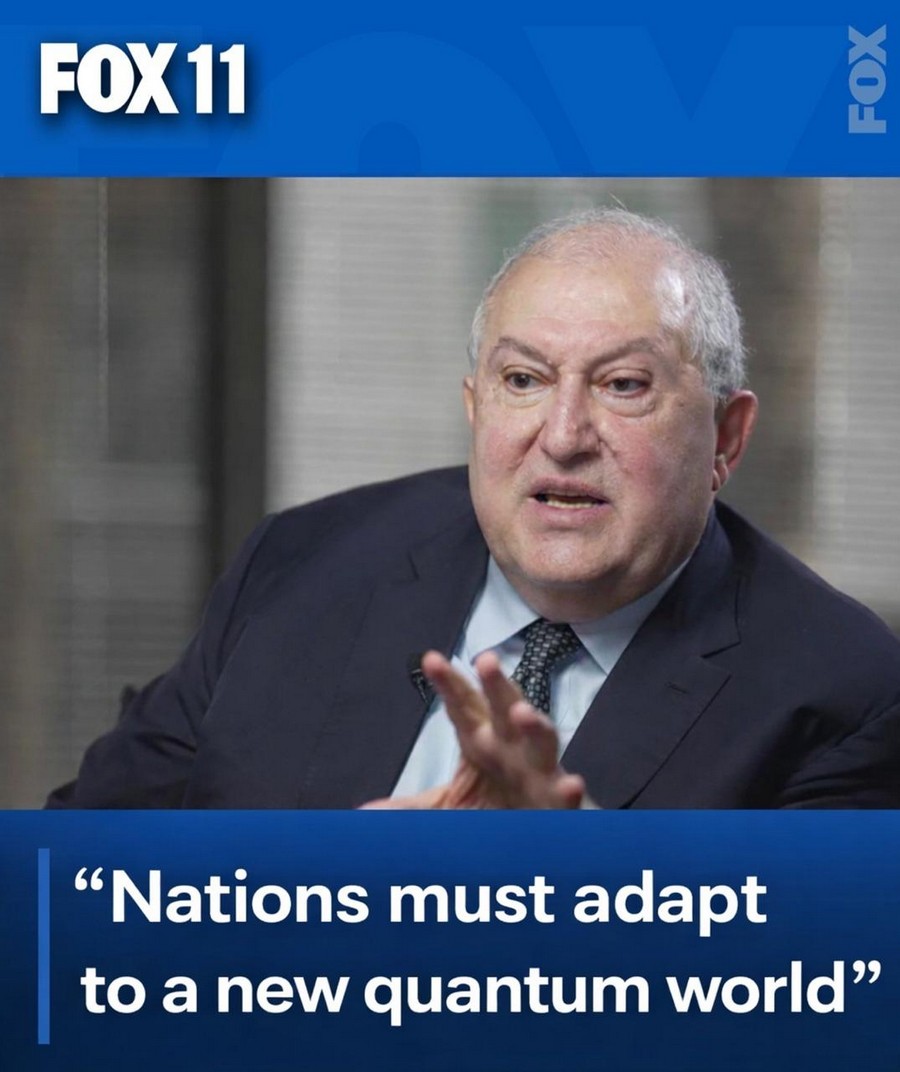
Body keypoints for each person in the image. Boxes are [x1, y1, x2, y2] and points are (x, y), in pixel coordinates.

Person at [48, 208, 900, 810]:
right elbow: (70, 883)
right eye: (523, 379)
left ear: (726, 437)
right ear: (474, 406)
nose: (562, 436)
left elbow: (793, 994)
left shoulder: (843, 696)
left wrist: (557, 887)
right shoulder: (302, 564)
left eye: (623, 385)